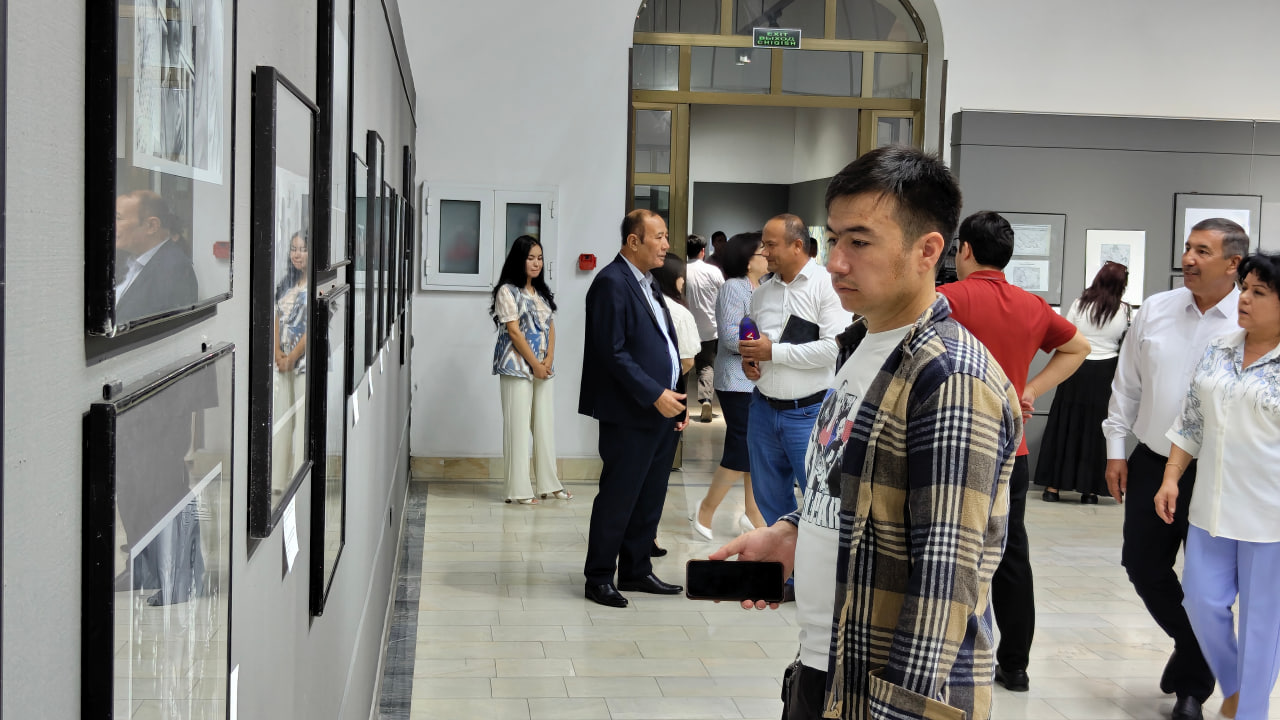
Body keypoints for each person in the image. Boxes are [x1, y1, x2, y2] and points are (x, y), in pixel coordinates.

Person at [711, 146, 1021, 720]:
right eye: (834, 239)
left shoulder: (948, 377)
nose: (836, 263)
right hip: (827, 663)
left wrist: (897, 711)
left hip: (885, 691)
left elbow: (946, 576)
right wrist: (792, 532)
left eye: (860, 241)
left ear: (928, 250)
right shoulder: (859, 347)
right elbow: (850, 488)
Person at [937, 210, 1090, 692]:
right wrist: (1028, 392)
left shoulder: (944, 299)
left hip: (955, 443)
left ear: (964, 250)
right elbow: (1078, 347)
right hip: (1012, 450)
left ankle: (944, 655)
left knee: (947, 550)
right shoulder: (1031, 304)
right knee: (1010, 552)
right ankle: (1016, 665)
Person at [1103, 217, 1247, 720]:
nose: (1188, 259)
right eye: (1188, 248)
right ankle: (1194, 647)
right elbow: (1128, 385)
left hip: (1222, 471)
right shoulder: (1157, 310)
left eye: (1202, 251)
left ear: (1233, 263)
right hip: (1153, 460)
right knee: (1142, 565)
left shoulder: (1250, 320)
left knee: (1209, 584)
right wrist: (1116, 449)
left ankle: (1192, 687)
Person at [1155, 251, 1280, 720]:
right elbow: (1191, 421)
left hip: (1271, 519)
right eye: (1245, 288)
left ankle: (1249, 712)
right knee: (1201, 602)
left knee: (1263, 628)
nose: (1244, 299)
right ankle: (1236, 691)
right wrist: (1171, 477)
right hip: (1210, 507)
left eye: (1259, 293)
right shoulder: (1220, 347)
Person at [579, 209, 689, 608]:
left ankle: (638, 569)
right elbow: (612, 352)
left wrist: (677, 400)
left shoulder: (649, 283)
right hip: (630, 411)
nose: (666, 244)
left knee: (651, 493)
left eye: (665, 236)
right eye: (658, 237)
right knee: (619, 495)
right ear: (633, 242)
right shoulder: (611, 282)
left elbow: (665, 345)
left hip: (660, 408)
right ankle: (599, 577)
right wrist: (653, 394)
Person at [740, 214, 849, 527]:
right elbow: (757, 344)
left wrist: (772, 351)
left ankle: (813, 572)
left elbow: (834, 348)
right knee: (770, 499)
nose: (764, 252)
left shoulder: (827, 286)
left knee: (820, 501)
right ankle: (787, 573)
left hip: (810, 413)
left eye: (771, 245)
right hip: (762, 410)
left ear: (797, 245)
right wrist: (752, 362)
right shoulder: (761, 294)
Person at [1036, 261, 1131, 503]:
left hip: (1076, 367)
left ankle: (1053, 488)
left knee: (1064, 423)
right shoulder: (1125, 311)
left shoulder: (1080, 304)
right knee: (1096, 428)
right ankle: (1089, 491)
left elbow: (1066, 334)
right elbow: (1124, 343)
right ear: (1121, 284)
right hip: (1106, 372)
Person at [694, 233, 768, 541]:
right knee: (740, 447)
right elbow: (728, 336)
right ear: (748, 259)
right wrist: (766, 346)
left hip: (755, 379)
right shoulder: (733, 287)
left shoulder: (762, 288)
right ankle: (705, 510)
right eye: (764, 251)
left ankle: (753, 513)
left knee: (751, 447)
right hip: (735, 379)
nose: (768, 255)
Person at [489, 235, 570, 505]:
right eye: (530, 258)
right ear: (519, 260)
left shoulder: (542, 292)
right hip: (515, 367)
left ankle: (549, 484)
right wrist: (535, 364)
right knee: (517, 428)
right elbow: (513, 331)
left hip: (542, 367)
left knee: (545, 425)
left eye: (539, 257)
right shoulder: (506, 291)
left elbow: (551, 327)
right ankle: (518, 490)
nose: (536, 263)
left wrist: (548, 359)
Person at [650, 253, 700, 557]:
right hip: (667, 401)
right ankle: (648, 536)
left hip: (636, 400)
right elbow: (687, 361)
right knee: (656, 476)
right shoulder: (680, 314)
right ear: (674, 278)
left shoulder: (643, 305)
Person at [114, 190, 198, 324]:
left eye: (118, 218)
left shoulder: (175, 270)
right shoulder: (124, 260)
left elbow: (168, 330)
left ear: (152, 226)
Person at [272, 231, 310, 496]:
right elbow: (275, 316)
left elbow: (315, 327)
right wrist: (277, 352)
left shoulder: (318, 283)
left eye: (303, 249)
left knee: (302, 423)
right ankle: (276, 481)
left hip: (304, 360)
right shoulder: (285, 283)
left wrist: (293, 356)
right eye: (293, 249)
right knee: (281, 421)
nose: (297, 254)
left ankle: (298, 481)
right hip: (280, 360)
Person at [685, 234, 725, 423]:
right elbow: (724, 296)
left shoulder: (681, 271)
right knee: (706, 366)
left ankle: (680, 405)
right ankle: (706, 401)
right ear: (702, 251)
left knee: (683, 367)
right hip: (710, 328)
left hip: (685, 328)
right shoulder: (713, 271)